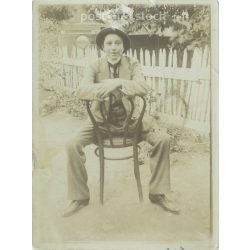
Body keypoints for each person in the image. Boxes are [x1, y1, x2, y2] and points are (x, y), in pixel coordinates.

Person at [62, 27, 180, 217]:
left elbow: (143, 86)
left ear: (124, 46)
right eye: (109, 43)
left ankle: (158, 193)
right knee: (71, 143)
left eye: (118, 43)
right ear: (102, 46)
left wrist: (117, 83)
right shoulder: (93, 66)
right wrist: (104, 88)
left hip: (132, 121)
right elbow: (81, 90)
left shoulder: (133, 63)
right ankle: (79, 196)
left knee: (163, 139)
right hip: (100, 123)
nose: (114, 47)